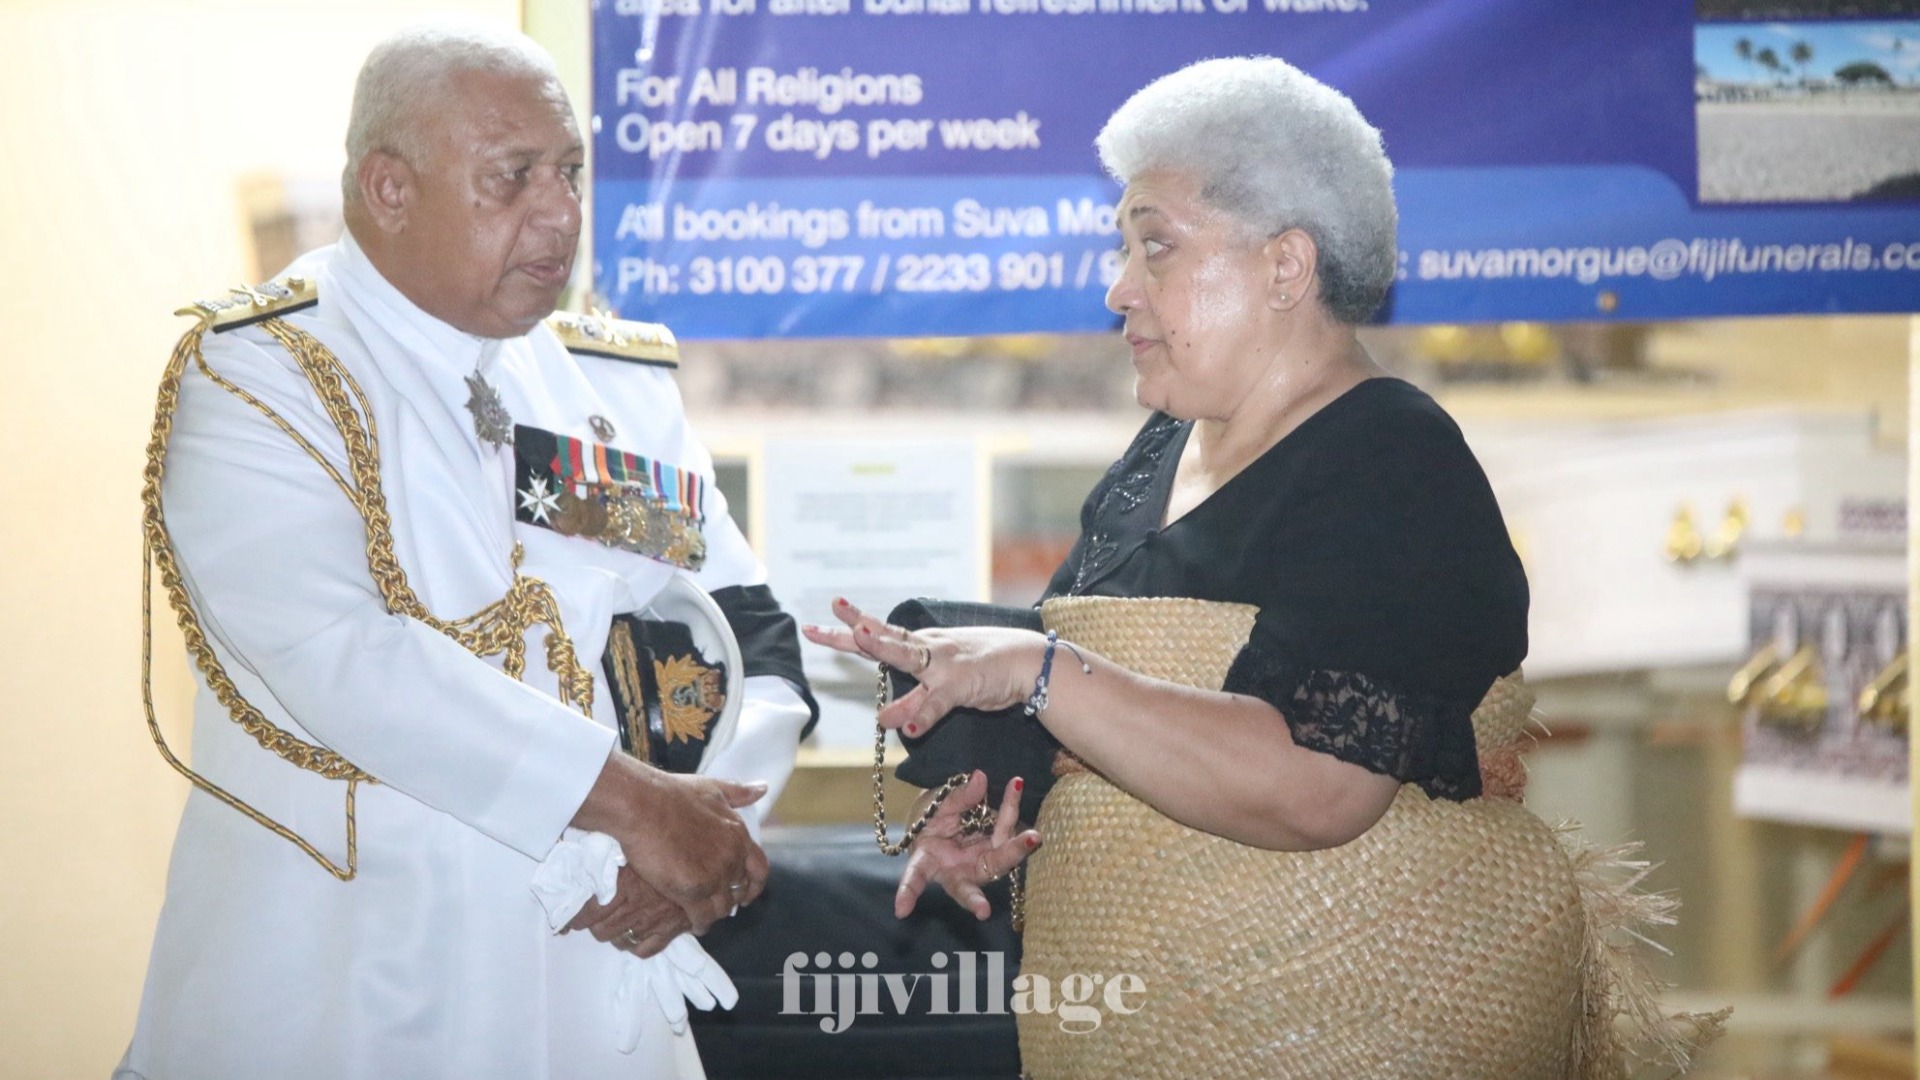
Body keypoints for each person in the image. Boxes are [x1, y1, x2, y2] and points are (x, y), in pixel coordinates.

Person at [807, 57, 1716, 1078]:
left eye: (1156, 246)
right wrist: (990, 807)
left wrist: (1037, 669)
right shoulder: (1156, 454)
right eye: (1123, 249)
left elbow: (1319, 787)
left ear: (1287, 267)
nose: (1118, 289)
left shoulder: (1392, 461)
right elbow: (1108, 715)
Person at [121, 24, 814, 1080]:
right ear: (389, 189)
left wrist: (709, 829)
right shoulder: (263, 377)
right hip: (348, 988)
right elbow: (342, 657)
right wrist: (639, 805)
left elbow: (743, 627)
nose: (562, 212)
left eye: (571, 172)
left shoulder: (603, 393)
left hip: (595, 987)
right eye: (514, 176)